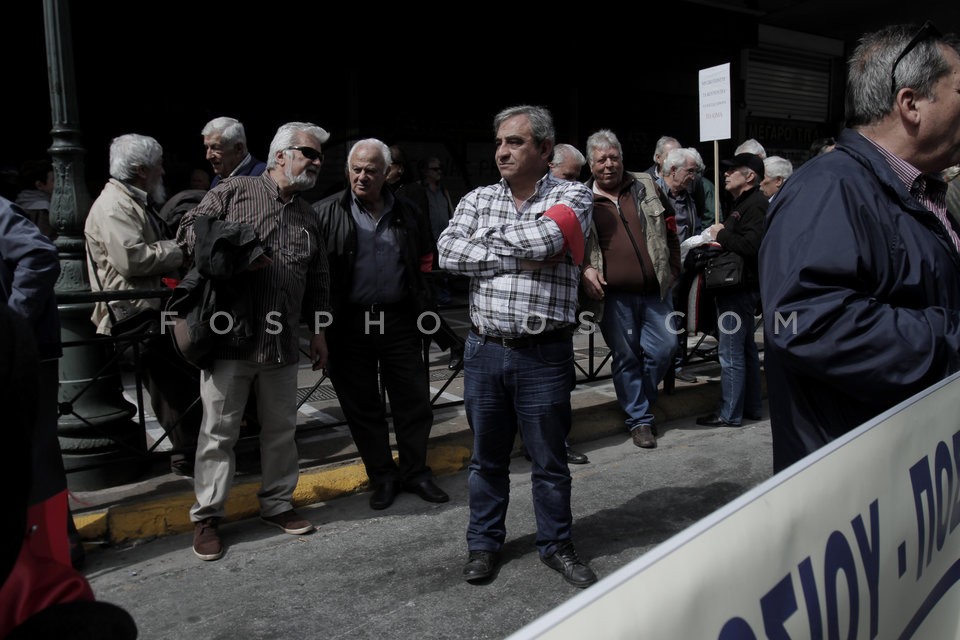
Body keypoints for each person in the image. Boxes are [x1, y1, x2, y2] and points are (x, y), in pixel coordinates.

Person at [760, 22, 960, 472]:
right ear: (910, 104)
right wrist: (950, 337)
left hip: (915, 461)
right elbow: (808, 324)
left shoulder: (916, 188)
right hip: (863, 482)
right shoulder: (828, 189)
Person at [438, 104, 597, 588]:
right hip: (485, 350)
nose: (503, 151)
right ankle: (483, 545)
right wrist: (520, 254)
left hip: (544, 353)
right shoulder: (476, 198)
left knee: (549, 460)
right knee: (487, 459)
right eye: (500, 142)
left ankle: (556, 545)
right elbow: (447, 252)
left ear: (545, 149)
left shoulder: (573, 194)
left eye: (516, 142)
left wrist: (486, 249)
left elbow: (549, 239)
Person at [176, 121, 332, 561]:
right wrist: (238, 252)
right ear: (280, 155)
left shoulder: (307, 213)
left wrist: (319, 331)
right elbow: (189, 230)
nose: (317, 162)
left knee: (281, 431)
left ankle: (278, 504)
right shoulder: (235, 191)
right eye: (309, 153)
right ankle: (207, 516)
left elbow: (319, 276)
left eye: (319, 156)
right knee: (218, 433)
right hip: (231, 340)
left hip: (282, 346)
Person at [314, 139, 450, 511]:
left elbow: (424, 257)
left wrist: (426, 307)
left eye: (371, 170)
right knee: (363, 407)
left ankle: (416, 473)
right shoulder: (325, 212)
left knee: (413, 401)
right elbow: (315, 278)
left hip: (399, 320)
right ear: (347, 171)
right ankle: (383, 477)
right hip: (349, 325)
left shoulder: (407, 210)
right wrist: (318, 330)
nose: (362, 176)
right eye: (356, 169)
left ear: (386, 172)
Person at [84, 133, 202, 477]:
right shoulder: (114, 206)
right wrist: (180, 250)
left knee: (178, 386)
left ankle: (189, 454)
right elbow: (132, 259)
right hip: (138, 316)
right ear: (139, 169)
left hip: (150, 311)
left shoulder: (132, 200)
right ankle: (188, 458)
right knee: (172, 391)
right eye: (157, 164)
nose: (162, 170)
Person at [580, 129, 681, 450]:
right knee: (626, 356)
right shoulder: (580, 198)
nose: (609, 165)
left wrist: (673, 269)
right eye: (601, 160)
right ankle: (639, 419)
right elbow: (573, 245)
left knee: (665, 348)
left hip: (655, 291)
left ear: (622, 158)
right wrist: (585, 269)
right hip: (614, 297)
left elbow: (670, 228)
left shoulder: (647, 186)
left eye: (614, 157)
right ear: (591, 165)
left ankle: (640, 400)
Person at [696, 153, 767, 428]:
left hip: (738, 289)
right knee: (745, 349)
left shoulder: (756, 205)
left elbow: (752, 246)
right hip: (738, 288)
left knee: (730, 352)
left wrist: (720, 234)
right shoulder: (744, 203)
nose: (726, 174)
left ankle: (729, 413)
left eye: (733, 169)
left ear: (750, 176)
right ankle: (750, 407)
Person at [386, 145, 465, 370]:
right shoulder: (389, 191)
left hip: (416, 263)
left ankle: (456, 345)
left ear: (399, 168)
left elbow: (420, 229)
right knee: (417, 313)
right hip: (398, 263)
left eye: (386, 165)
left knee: (424, 311)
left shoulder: (411, 191)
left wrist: (425, 266)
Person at [545, 144, 591, 465]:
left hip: (562, 312)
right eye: (567, 176)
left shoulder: (576, 200)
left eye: (577, 177)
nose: (573, 184)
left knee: (562, 385)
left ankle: (557, 444)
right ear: (549, 167)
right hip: (524, 315)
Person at [201, 116, 267, 188]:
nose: (208, 156)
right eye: (206, 148)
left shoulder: (264, 177)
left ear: (239, 149)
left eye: (216, 148)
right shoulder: (217, 180)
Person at [15, 158, 56, 238]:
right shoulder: (43, 208)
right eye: (53, 180)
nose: (58, 184)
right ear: (40, 185)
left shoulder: (20, 201)